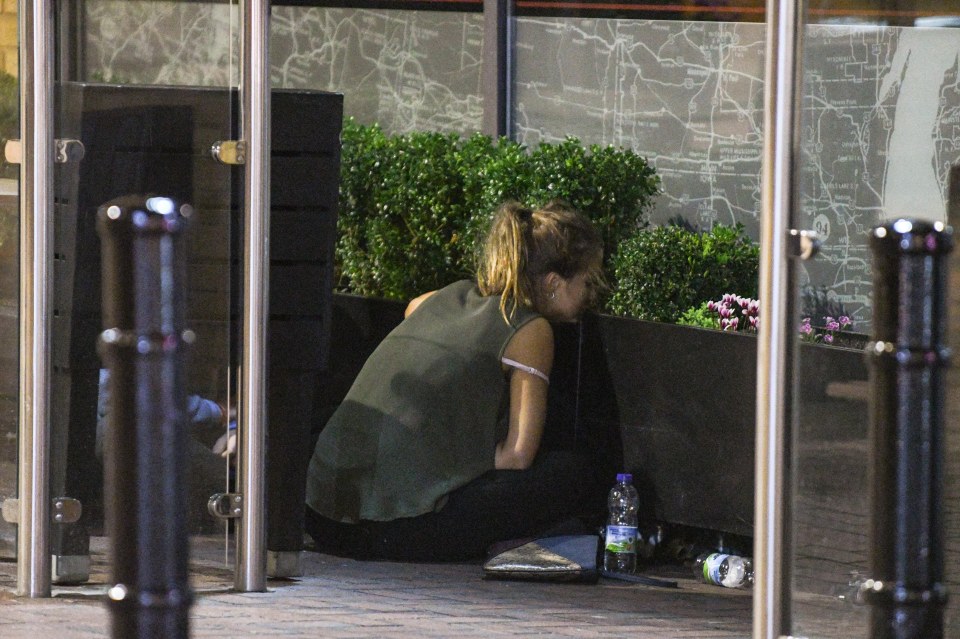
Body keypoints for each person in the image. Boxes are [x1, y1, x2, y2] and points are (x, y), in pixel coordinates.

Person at [304, 200, 606, 562]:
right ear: (554, 283)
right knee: (572, 474)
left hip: (321, 518)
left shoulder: (437, 299)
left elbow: (412, 307)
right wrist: (464, 460)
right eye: (587, 282)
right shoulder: (530, 330)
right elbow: (517, 456)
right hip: (390, 532)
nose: (592, 295)